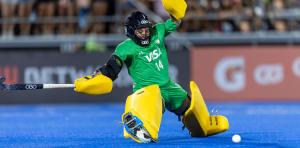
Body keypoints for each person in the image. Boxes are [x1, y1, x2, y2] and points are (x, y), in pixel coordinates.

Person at [74, 1, 229, 143]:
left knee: (188, 106)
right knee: (154, 105)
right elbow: (112, 68)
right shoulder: (124, 48)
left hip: (168, 86)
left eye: (146, 30)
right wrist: (99, 76)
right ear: (131, 32)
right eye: (140, 31)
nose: (145, 34)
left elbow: (175, 22)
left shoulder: (158, 32)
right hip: (147, 91)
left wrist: (176, 11)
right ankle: (136, 122)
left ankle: (202, 124)